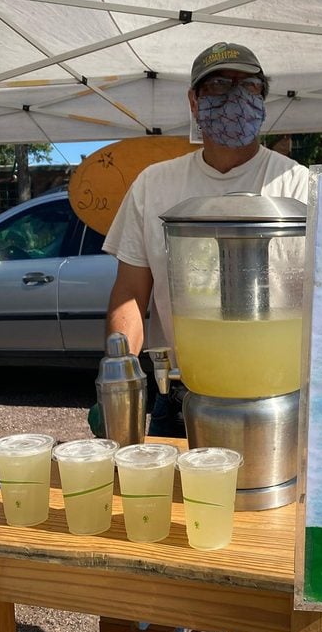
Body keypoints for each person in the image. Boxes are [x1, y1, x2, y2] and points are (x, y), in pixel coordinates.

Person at [103, 42, 309, 437]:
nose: (234, 97)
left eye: (249, 87)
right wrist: (117, 376)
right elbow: (129, 294)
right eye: (217, 86)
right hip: (183, 400)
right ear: (194, 102)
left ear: (264, 99)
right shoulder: (154, 185)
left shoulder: (301, 186)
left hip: (282, 397)